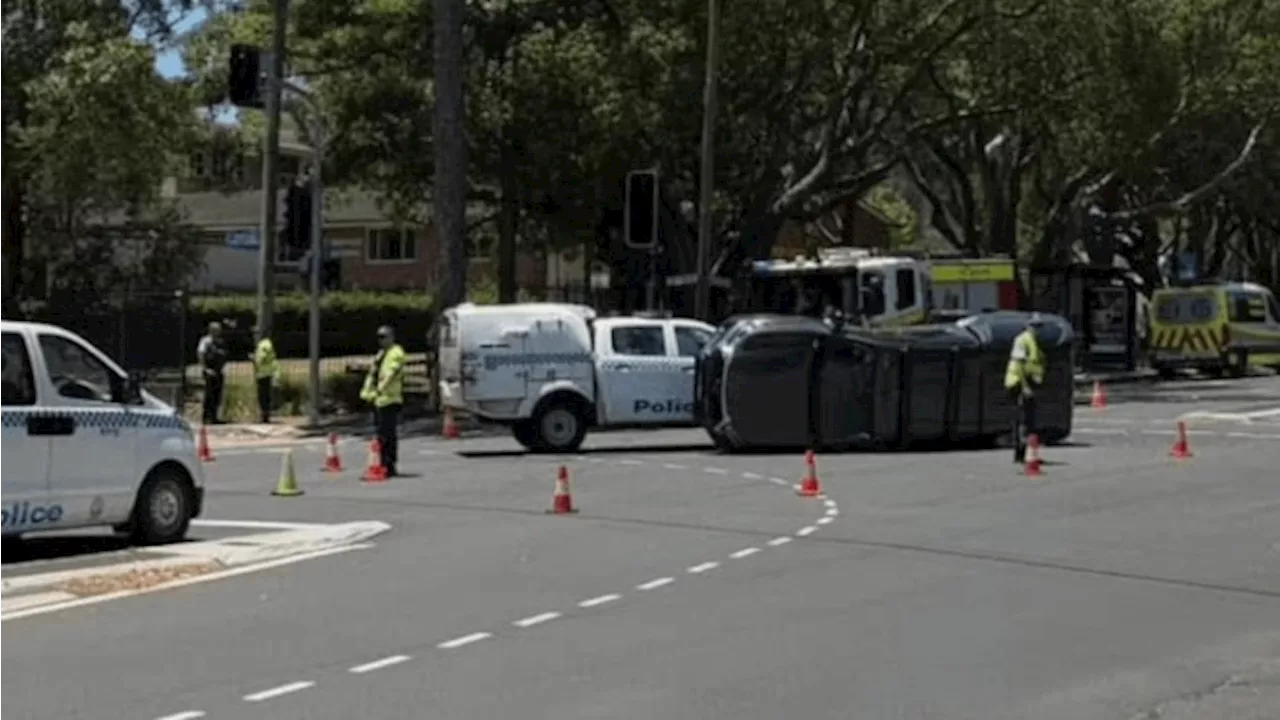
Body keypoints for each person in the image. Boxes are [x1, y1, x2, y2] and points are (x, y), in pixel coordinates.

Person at [361, 325, 406, 476]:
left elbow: (391, 374)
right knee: (380, 434)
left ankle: (389, 464)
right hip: (378, 399)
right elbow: (373, 373)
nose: (381, 340)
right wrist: (367, 391)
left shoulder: (396, 352)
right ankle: (382, 462)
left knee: (388, 434)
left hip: (390, 399)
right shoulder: (381, 354)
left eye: (384, 336)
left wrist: (380, 389)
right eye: (379, 337)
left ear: (392, 337)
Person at [1004, 313, 1047, 464]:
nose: (1037, 329)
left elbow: (1034, 363)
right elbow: (1020, 365)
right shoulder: (1022, 340)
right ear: (1027, 325)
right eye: (1034, 326)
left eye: (1039, 326)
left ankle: (1027, 452)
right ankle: (1019, 452)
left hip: (1027, 383)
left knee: (1029, 419)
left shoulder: (1033, 341)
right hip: (1018, 383)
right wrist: (1025, 387)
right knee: (1022, 419)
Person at [196, 322, 228, 425]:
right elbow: (200, 354)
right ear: (211, 330)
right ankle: (206, 417)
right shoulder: (205, 341)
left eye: (219, 330)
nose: (218, 332)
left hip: (218, 371)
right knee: (209, 395)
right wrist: (205, 369)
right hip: (209, 371)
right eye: (216, 330)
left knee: (217, 395)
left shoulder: (220, 342)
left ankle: (214, 417)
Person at [250, 325, 280, 423]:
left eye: (256, 333)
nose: (254, 336)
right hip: (267, 373)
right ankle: (265, 416)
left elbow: (262, 358)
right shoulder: (267, 343)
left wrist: (253, 359)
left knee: (263, 396)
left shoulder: (263, 345)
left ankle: (264, 417)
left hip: (263, 373)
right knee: (265, 396)